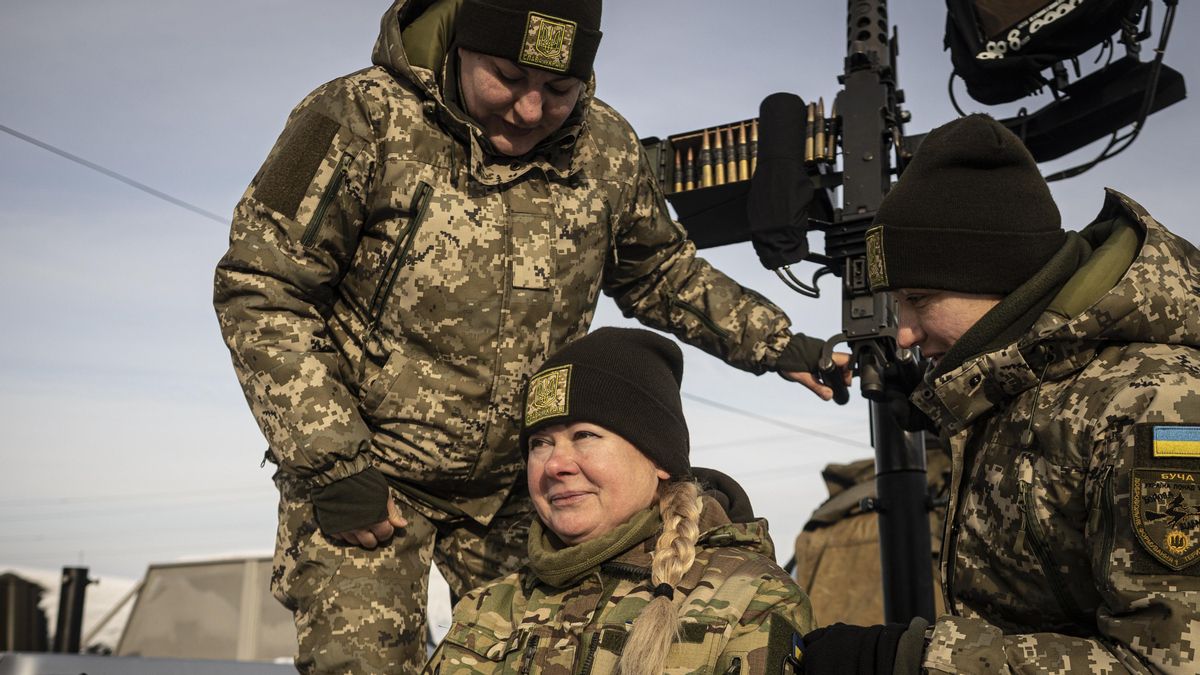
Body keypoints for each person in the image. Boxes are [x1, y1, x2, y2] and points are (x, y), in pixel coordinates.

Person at [212, 0, 845, 671]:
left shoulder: (605, 149)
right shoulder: (356, 119)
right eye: (508, 79)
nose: (530, 111)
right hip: (373, 480)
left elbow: (660, 271)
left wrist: (781, 346)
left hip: (520, 491)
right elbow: (263, 288)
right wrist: (333, 461)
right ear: (462, 45)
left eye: (559, 90)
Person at [797, 114, 1200, 674]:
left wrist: (913, 662)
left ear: (997, 276)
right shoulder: (1021, 382)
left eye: (920, 299)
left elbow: (1164, 665)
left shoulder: (1156, 407)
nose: (906, 333)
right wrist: (928, 406)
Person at [425, 327, 814, 674]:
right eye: (540, 443)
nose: (555, 464)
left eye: (585, 435)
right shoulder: (488, 607)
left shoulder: (748, 596)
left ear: (659, 458)